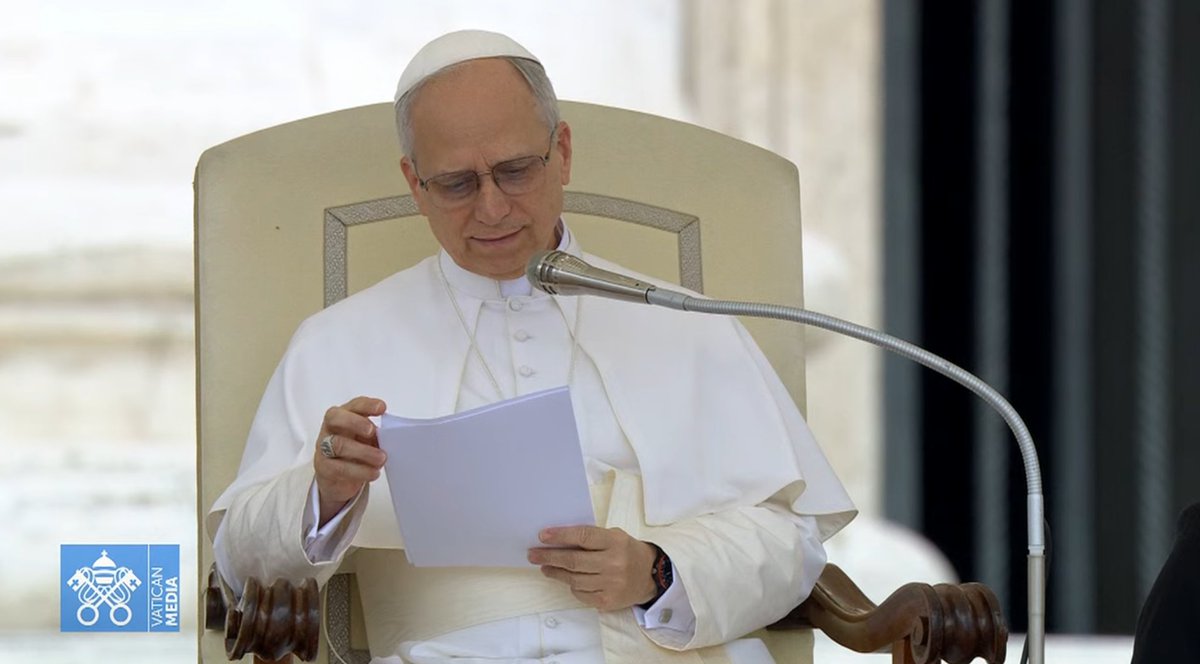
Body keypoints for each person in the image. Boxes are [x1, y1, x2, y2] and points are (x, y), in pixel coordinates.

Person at [208, 30, 856, 664]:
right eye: (457, 184)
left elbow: (790, 540)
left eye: (515, 171)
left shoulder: (686, 322)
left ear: (563, 152)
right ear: (414, 183)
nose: (491, 209)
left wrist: (660, 571)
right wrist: (323, 492)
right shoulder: (340, 340)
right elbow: (239, 565)